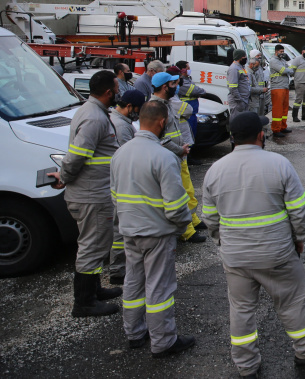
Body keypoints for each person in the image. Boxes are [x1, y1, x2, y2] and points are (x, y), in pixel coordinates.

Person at [201, 112, 305, 376]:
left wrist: (221, 242)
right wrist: (299, 239)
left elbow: (209, 217)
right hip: (276, 252)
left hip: (236, 256)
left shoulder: (215, 170)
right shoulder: (279, 164)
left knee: (241, 309)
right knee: (293, 301)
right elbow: (299, 210)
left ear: (233, 138)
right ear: (261, 135)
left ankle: (246, 365)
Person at [111, 100, 196, 358]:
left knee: (133, 282)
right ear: (162, 122)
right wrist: (182, 227)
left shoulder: (120, 153)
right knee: (159, 288)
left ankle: (134, 333)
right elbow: (176, 206)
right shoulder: (164, 157)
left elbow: (114, 196)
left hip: (129, 230)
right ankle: (163, 341)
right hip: (157, 233)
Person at [48, 70, 123, 317]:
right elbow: (77, 155)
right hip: (91, 195)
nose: (119, 92)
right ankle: (84, 302)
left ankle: (94, 290)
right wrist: (64, 177)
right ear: (108, 92)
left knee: (97, 243)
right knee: (92, 246)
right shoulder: (94, 118)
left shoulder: (93, 112)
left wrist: (64, 176)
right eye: (117, 88)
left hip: (93, 192)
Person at [151, 72, 206, 244]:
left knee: (188, 190)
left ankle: (193, 220)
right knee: (179, 194)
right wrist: (179, 149)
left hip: (179, 155)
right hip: (171, 157)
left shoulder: (167, 104)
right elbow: (160, 138)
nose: (176, 87)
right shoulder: (155, 107)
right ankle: (186, 231)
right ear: (164, 87)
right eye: (173, 84)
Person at [108, 89, 146, 285]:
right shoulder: (121, 127)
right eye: (137, 110)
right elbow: (128, 156)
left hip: (118, 181)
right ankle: (117, 270)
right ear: (129, 106)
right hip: (122, 183)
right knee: (119, 228)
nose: (137, 114)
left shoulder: (119, 121)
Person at [175, 60, 208, 146]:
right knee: (188, 136)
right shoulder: (182, 82)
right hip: (186, 112)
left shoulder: (188, 79)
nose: (189, 70)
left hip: (192, 111)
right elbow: (197, 91)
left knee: (192, 135)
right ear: (183, 70)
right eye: (188, 68)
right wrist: (200, 91)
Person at [269, 45, 296, 135]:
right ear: (276, 51)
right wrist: (288, 70)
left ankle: (282, 126)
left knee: (284, 108)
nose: (282, 53)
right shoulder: (273, 61)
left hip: (284, 87)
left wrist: (288, 70)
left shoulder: (282, 60)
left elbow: (291, 70)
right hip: (277, 87)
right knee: (278, 109)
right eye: (281, 51)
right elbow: (284, 71)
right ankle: (276, 129)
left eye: (283, 51)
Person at [247, 50, 272, 138]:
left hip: (261, 93)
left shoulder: (260, 67)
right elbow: (250, 87)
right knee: (255, 114)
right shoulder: (250, 71)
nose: (260, 57)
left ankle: (260, 131)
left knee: (261, 113)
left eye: (260, 56)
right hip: (256, 95)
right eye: (258, 56)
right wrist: (261, 90)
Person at [227, 49, 251, 125]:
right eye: (244, 57)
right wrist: (239, 100)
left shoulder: (240, 67)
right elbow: (233, 87)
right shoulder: (234, 68)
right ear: (240, 58)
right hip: (238, 101)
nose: (246, 58)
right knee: (236, 121)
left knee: (242, 121)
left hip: (243, 99)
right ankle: (234, 133)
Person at [290, 46, 305, 122]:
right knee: (298, 100)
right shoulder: (297, 59)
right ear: (302, 51)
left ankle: (304, 116)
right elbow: (292, 71)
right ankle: (295, 116)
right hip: (300, 82)